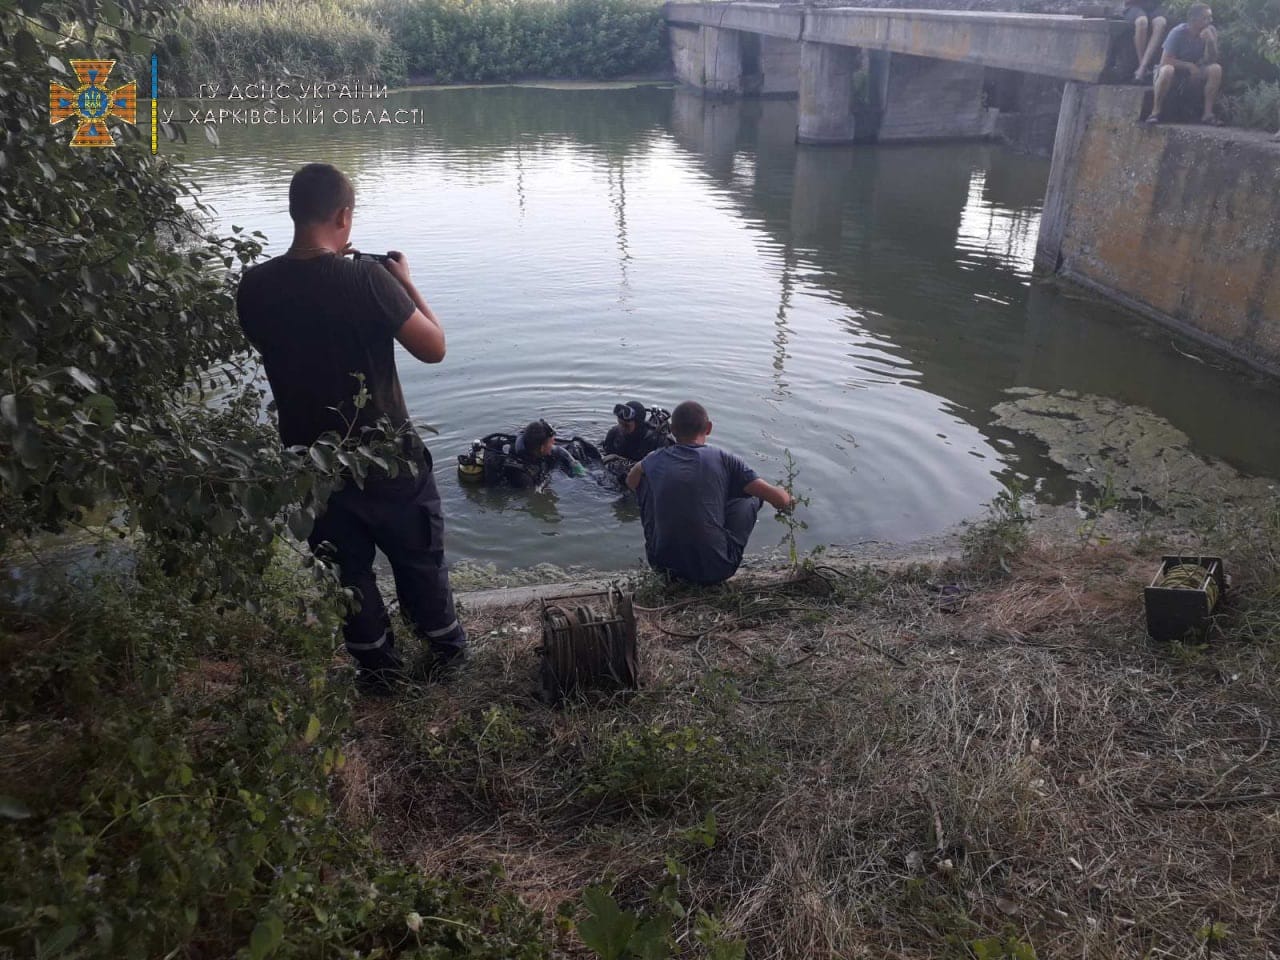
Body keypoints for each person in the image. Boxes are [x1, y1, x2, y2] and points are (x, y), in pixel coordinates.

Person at [236, 162, 466, 695]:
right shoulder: (365, 279)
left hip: (311, 465)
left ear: (294, 213)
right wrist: (404, 283)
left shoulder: (255, 286)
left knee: (348, 575)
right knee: (419, 562)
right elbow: (434, 348)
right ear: (344, 215)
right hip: (388, 460)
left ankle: (379, 675)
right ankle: (447, 661)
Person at [626, 400, 794, 586]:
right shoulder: (726, 459)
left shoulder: (654, 459)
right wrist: (786, 497)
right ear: (709, 428)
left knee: (645, 485)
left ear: (672, 429)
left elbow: (630, 482)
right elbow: (780, 500)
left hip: (661, 565)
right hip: (715, 569)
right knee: (752, 495)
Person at [1148, 3, 1222, 125]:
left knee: (1216, 69)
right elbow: (1165, 60)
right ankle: (1155, 112)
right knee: (1167, 70)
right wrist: (1188, 65)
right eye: (1206, 18)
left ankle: (1208, 114)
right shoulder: (1178, 32)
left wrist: (1211, 42)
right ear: (1194, 20)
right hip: (1173, 72)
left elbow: (1212, 59)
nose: (1210, 21)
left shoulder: (1210, 31)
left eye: (1210, 18)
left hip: (1194, 72)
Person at [514, 419, 588, 481]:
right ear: (542, 448)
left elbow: (560, 451)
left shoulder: (534, 446)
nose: (554, 443)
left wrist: (578, 468)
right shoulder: (523, 473)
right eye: (551, 442)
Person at [603, 401, 667, 462]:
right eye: (619, 423)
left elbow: (656, 468)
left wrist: (617, 458)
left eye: (626, 425)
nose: (621, 428)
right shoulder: (614, 433)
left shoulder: (655, 441)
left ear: (638, 424)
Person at [1123, 0, 1167, 83]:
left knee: (1161, 22)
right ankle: (1142, 67)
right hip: (1133, 6)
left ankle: (1143, 66)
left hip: (1153, 6)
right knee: (1142, 22)